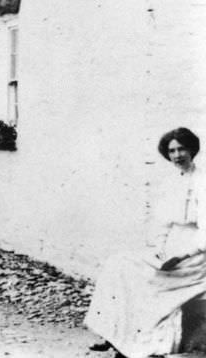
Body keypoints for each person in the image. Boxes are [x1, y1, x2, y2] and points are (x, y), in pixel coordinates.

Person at [86, 128, 206, 358]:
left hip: (196, 257)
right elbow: (162, 224)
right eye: (172, 150)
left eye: (182, 148)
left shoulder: (203, 181)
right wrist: (158, 250)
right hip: (172, 247)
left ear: (192, 149)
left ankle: (140, 343)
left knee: (145, 280)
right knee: (118, 264)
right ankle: (116, 336)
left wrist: (181, 256)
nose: (177, 155)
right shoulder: (171, 182)